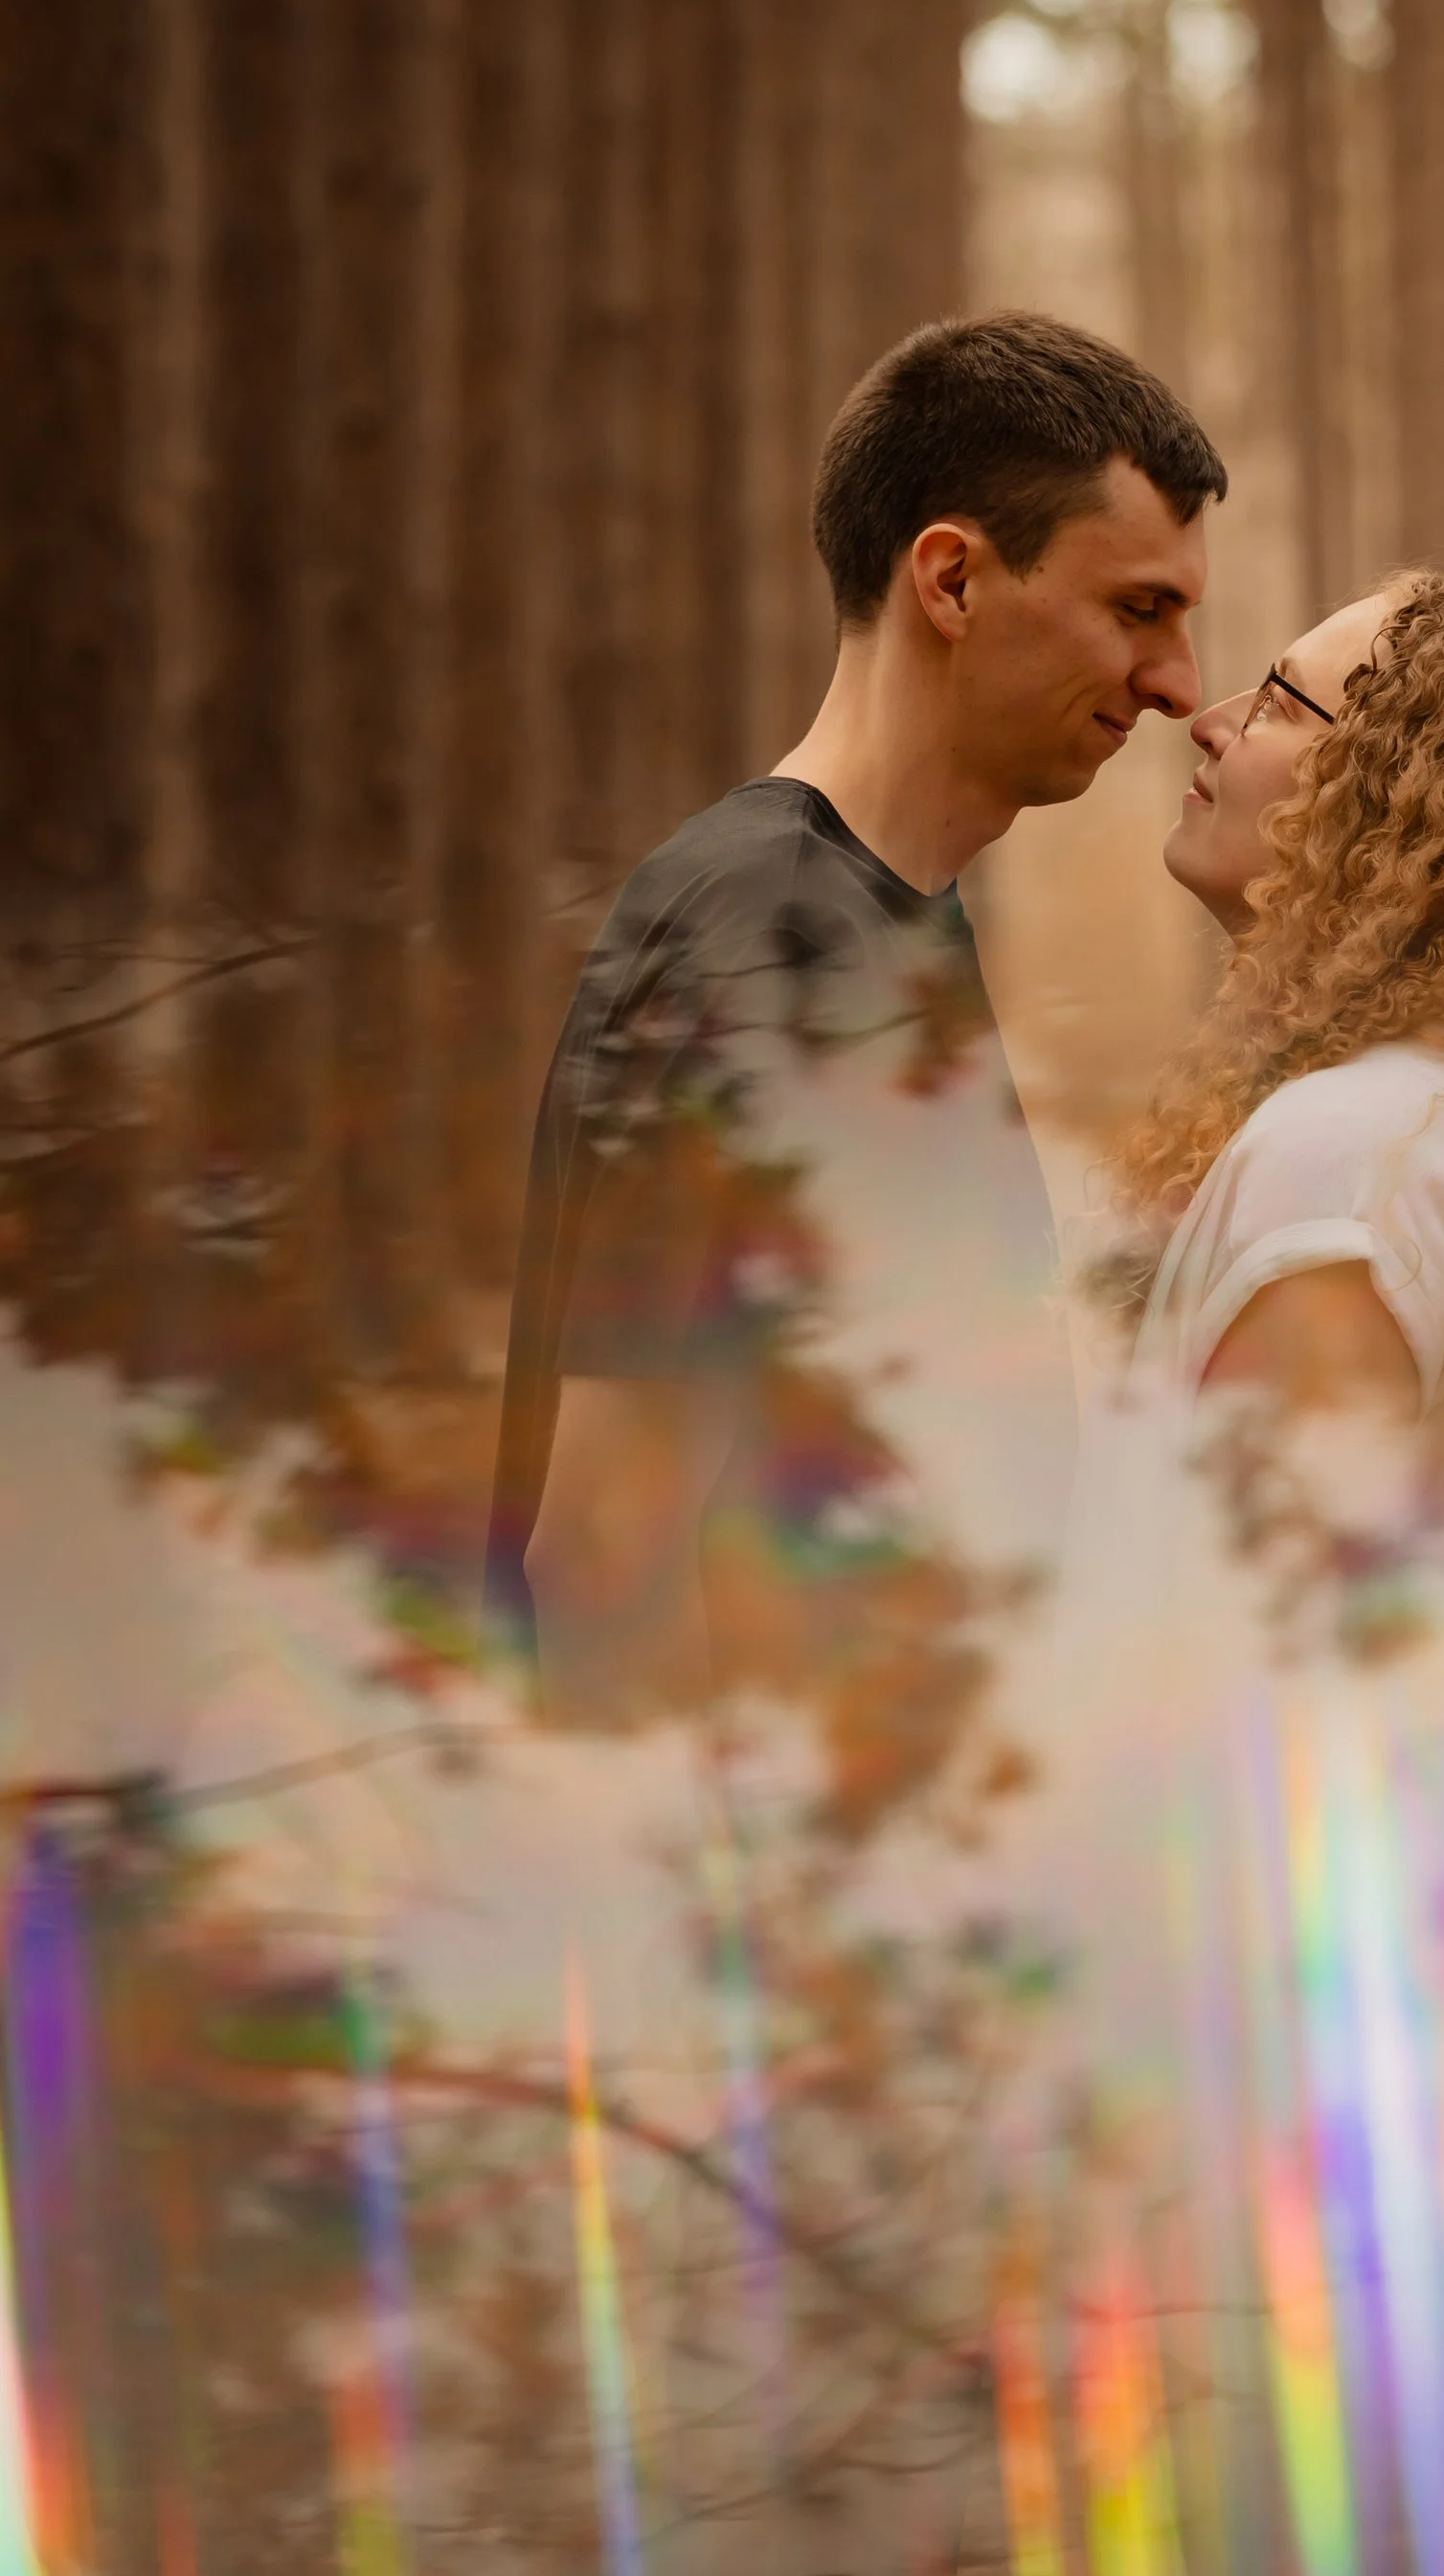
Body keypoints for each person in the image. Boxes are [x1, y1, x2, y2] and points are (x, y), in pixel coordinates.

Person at [481, 308, 1226, 1719]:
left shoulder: (878, 916)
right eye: (1140, 609)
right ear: (950, 579)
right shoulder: (764, 936)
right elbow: (598, 1549)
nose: (1180, 685)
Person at [1117, 566, 1444, 1529]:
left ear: (1394, 796)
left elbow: (1282, 1627)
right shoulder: (1441, 1124)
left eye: (1278, 702)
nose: (1210, 719)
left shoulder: (1353, 1158)